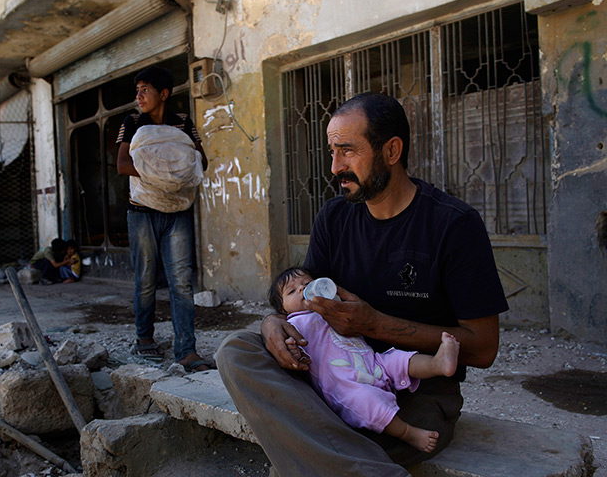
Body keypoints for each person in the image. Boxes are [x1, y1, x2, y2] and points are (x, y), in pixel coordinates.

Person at [216, 91, 509, 476]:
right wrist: (273, 324)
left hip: (412, 388)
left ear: (391, 150)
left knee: (359, 430)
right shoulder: (335, 217)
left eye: (347, 151)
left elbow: (484, 347)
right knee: (236, 349)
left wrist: (374, 325)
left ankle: (325, 452)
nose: (335, 166)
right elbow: (301, 296)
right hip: (330, 371)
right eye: (332, 151)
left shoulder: (453, 225)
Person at [270, 267, 460, 453]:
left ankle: (438, 363)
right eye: (292, 291)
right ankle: (408, 433)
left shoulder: (329, 307)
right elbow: (292, 352)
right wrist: (293, 347)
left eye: (307, 283)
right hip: (345, 384)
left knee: (399, 359)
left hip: (373, 362)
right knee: (366, 402)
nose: (302, 289)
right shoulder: (294, 323)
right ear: (282, 309)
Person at [116, 66, 211, 372]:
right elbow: (122, 164)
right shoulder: (131, 122)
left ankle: (186, 350)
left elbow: (201, 161)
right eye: (137, 91)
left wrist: (171, 175)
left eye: (145, 89)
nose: (139, 96)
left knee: (182, 283)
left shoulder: (182, 122)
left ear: (164, 94)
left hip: (178, 212)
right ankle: (144, 340)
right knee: (145, 280)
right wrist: (165, 176)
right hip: (142, 211)